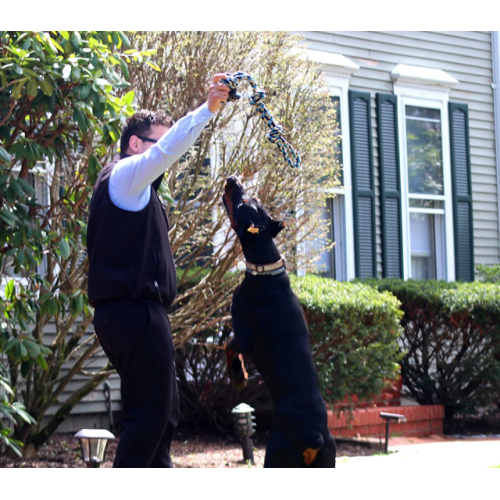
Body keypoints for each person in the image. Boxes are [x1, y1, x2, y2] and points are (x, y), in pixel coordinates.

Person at [86, 74, 230, 467]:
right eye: (159, 141)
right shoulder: (126, 177)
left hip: (130, 315)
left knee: (161, 418)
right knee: (149, 419)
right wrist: (207, 110)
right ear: (136, 143)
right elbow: (163, 153)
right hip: (135, 314)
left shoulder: (136, 191)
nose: (169, 153)